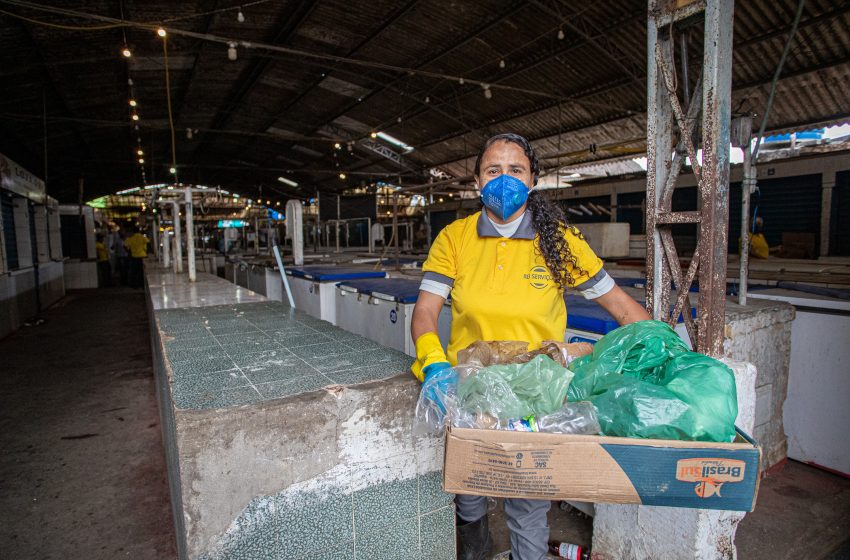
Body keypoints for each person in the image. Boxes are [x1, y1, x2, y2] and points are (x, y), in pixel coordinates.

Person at [410, 133, 650, 560]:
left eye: (516, 170)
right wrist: (433, 365)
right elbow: (425, 312)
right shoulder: (455, 238)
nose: (505, 180)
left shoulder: (560, 241)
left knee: (527, 500)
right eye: (493, 170)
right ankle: (475, 547)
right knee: (468, 489)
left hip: (535, 392)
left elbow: (623, 309)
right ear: (477, 182)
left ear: (533, 179)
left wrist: (663, 351)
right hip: (469, 387)